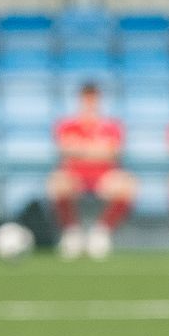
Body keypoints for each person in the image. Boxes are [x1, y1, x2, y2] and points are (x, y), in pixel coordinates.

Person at [49, 83, 135, 260]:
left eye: (93, 98)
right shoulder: (67, 125)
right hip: (76, 175)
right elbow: (65, 149)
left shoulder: (111, 126)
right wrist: (96, 150)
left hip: (103, 175)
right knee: (57, 182)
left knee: (127, 184)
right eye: (86, 98)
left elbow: (113, 152)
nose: (90, 102)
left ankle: (101, 232)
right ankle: (72, 234)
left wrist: (81, 149)